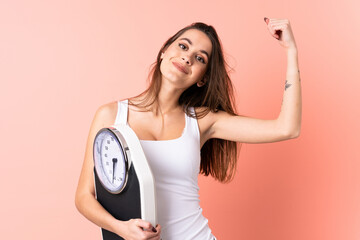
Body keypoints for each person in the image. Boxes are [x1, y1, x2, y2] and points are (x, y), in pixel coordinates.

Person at [75, 18, 301, 240]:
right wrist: (120, 228)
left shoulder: (202, 121)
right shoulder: (111, 115)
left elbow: (286, 128)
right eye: (183, 46)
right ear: (164, 51)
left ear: (202, 79)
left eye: (200, 58)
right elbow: (84, 196)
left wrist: (290, 51)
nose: (187, 57)